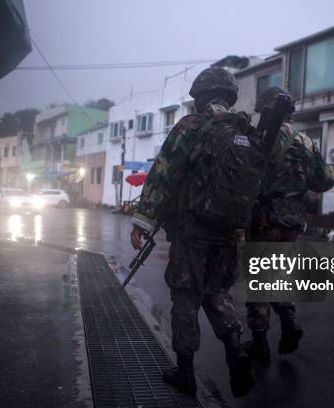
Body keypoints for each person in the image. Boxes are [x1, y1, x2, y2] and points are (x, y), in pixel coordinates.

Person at [130, 67, 256, 397]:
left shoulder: (191, 126)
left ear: (199, 97)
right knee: (217, 293)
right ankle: (236, 350)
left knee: (186, 296)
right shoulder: (245, 131)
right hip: (229, 232)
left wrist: (143, 219)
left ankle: (184, 371)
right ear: (229, 97)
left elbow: (163, 174)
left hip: (192, 231)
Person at [244, 87, 334, 361]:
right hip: (293, 220)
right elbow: (325, 181)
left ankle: (260, 343)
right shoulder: (306, 141)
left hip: (265, 217)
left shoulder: (260, 138)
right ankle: (289, 321)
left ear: (267, 110)